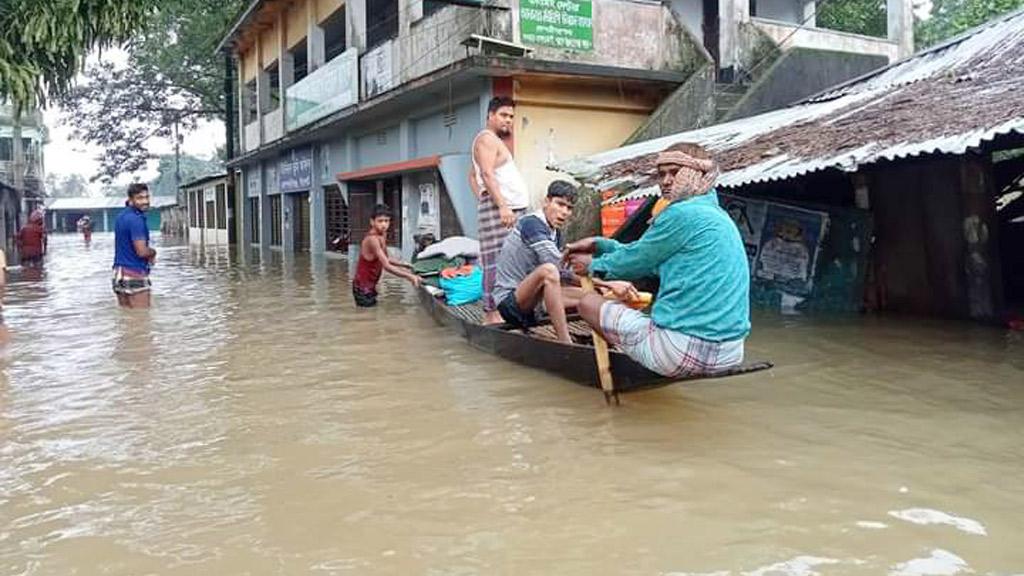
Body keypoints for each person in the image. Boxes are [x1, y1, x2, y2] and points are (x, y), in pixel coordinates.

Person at [565, 142, 751, 378]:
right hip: (730, 352)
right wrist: (601, 245)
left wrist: (592, 266)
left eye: (675, 172)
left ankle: (633, 360)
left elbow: (633, 262)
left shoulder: (681, 212)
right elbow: (648, 255)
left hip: (681, 353)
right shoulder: (717, 216)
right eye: (661, 174)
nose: (665, 181)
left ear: (699, 174)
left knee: (587, 303)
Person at [493, 181, 639, 343]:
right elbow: (559, 268)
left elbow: (567, 274)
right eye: (560, 204)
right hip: (511, 303)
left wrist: (602, 288)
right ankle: (565, 341)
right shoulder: (531, 224)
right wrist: (608, 284)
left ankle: (616, 340)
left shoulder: (556, 233)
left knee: (596, 296)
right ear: (546, 201)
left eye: (569, 208)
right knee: (549, 271)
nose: (564, 212)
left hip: (536, 305)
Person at [469, 96, 531, 324]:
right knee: (497, 261)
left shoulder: (493, 141)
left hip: (505, 209)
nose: (509, 120)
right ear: (490, 116)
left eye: (512, 117)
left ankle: (509, 309)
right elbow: (485, 174)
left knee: (514, 260)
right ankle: (492, 314)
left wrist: (484, 198)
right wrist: (500, 205)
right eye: (504, 115)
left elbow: (473, 176)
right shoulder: (486, 139)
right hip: (502, 210)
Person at [352, 204, 421, 307]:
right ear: (372, 222)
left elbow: (386, 258)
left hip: (371, 285)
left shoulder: (382, 235)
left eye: (386, 221)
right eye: (380, 221)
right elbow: (386, 266)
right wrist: (409, 276)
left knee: (371, 314)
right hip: (362, 287)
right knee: (366, 317)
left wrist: (404, 265)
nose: (384, 224)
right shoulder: (372, 239)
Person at [112, 183, 156, 308]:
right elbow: (141, 251)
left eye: (147, 197)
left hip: (118, 273)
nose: (145, 201)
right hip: (134, 272)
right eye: (140, 198)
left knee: (128, 320)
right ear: (130, 200)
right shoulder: (137, 220)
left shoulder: (121, 217)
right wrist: (153, 253)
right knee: (142, 321)